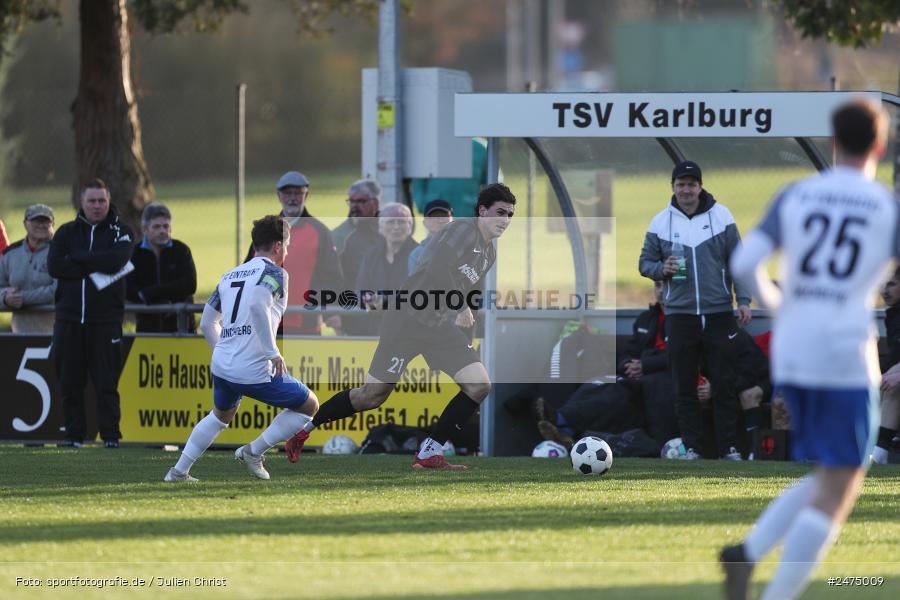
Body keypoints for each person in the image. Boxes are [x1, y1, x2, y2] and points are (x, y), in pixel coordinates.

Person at [723, 97, 895, 600]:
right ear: (881, 146)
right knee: (844, 482)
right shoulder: (886, 206)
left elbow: (745, 263)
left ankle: (748, 553)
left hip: (794, 348)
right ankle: (774, 590)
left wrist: (780, 302)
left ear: (831, 142)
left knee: (832, 470)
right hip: (844, 351)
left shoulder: (797, 194)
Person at [285, 183, 517, 469]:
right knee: (371, 396)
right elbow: (437, 268)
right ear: (482, 211)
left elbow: (465, 292)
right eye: (500, 213)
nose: (505, 220)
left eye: (510, 215)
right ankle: (304, 431)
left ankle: (429, 452)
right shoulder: (464, 230)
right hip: (406, 320)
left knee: (479, 385)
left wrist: (462, 325)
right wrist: (460, 306)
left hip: (437, 326)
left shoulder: (488, 253)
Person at [165, 215, 319, 482]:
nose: (287, 251)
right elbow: (258, 306)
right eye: (288, 245)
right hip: (253, 367)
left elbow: (206, 323)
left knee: (220, 416)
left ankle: (178, 471)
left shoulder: (230, 275)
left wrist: (222, 349)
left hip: (223, 365)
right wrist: (273, 352)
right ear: (278, 246)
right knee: (309, 405)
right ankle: (253, 451)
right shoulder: (275, 272)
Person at [639, 159, 751, 460]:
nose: (686, 190)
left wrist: (743, 300)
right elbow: (644, 264)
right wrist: (661, 268)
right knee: (684, 386)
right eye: (680, 184)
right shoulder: (661, 222)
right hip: (680, 314)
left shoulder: (721, 216)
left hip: (718, 312)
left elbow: (738, 263)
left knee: (723, 384)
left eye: (691, 184)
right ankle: (693, 449)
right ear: (673, 187)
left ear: (700, 186)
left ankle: (729, 448)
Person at [47, 178, 134, 448]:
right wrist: (95, 260)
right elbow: (55, 267)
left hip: (105, 321)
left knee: (106, 383)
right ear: (81, 202)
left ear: (109, 201)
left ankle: (110, 436)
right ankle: (74, 436)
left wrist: (78, 258)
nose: (97, 206)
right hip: (69, 320)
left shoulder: (122, 231)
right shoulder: (65, 232)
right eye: (92, 201)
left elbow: (116, 261)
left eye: (102, 200)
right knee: (70, 383)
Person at [245, 171, 343, 335]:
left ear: (306, 195)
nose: (292, 198)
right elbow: (249, 269)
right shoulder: (265, 230)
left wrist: (329, 311)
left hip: (306, 324)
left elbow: (332, 276)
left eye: (298, 193)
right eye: (287, 193)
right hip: (266, 322)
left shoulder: (319, 231)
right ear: (278, 196)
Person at [126, 202, 197, 333]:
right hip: (147, 327)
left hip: (180, 327)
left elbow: (190, 284)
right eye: (157, 227)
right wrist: (168, 294)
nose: (162, 231)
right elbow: (129, 288)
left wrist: (151, 294)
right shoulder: (134, 254)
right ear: (144, 229)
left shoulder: (181, 250)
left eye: (166, 226)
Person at [352, 203, 419, 335]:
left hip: (410, 331)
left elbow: (421, 295)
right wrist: (371, 304)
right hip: (375, 329)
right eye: (390, 222)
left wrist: (385, 303)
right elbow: (361, 291)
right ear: (380, 227)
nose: (396, 227)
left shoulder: (419, 255)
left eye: (401, 222)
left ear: (410, 226)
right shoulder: (371, 255)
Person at [0, 204, 57, 333]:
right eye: (36, 220)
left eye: (46, 221)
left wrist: (22, 298)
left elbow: (58, 290)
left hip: (55, 333)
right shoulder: (10, 254)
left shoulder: (61, 252)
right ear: (25, 224)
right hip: (20, 332)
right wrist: (5, 298)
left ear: (53, 224)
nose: (41, 225)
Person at [410, 138, 488, 217]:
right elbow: (418, 183)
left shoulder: (481, 149)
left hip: (467, 215)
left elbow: (491, 185)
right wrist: (424, 207)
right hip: (437, 215)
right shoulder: (429, 147)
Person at [873, 267, 900, 463]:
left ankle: (879, 454)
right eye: (882, 284)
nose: (885, 290)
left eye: (891, 284)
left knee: (891, 385)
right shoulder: (894, 315)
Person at [332, 179, 381, 254]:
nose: (354, 206)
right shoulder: (339, 237)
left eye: (361, 201)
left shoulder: (390, 229)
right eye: (352, 201)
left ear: (375, 203)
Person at [408, 198, 453, 274]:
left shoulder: (464, 248)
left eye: (444, 216)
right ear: (425, 223)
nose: (440, 221)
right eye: (434, 217)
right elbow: (414, 284)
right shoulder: (417, 255)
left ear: (452, 220)